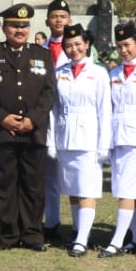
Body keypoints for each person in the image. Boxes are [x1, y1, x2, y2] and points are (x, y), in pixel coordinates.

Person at [0, 3, 57, 251]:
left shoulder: (42, 55)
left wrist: (33, 118)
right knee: (4, 186)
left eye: (24, 25)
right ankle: (9, 234)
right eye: (14, 25)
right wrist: (2, 118)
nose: (20, 30)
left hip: (33, 131)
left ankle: (33, 234)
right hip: (1, 131)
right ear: (4, 27)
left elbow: (49, 91)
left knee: (33, 186)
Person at [49, 23, 111, 257]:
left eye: (78, 44)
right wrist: (51, 140)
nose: (73, 49)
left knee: (87, 189)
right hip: (66, 137)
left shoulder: (98, 73)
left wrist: (104, 143)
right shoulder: (60, 72)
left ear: (87, 45)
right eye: (68, 45)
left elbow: (105, 111)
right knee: (72, 188)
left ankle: (82, 239)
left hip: (89, 139)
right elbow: (54, 109)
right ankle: (77, 230)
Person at [101, 23, 136, 258]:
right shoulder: (113, 74)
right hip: (118, 140)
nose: (124, 50)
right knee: (133, 192)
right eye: (119, 46)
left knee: (128, 191)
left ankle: (117, 240)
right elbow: (108, 111)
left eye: (127, 45)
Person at [41, 0, 73, 241]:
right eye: (54, 16)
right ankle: (51, 222)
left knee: (73, 175)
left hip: (69, 118)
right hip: (44, 118)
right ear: (47, 21)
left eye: (63, 16)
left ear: (69, 20)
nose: (59, 20)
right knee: (48, 176)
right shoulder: (38, 50)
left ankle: (79, 227)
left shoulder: (78, 48)